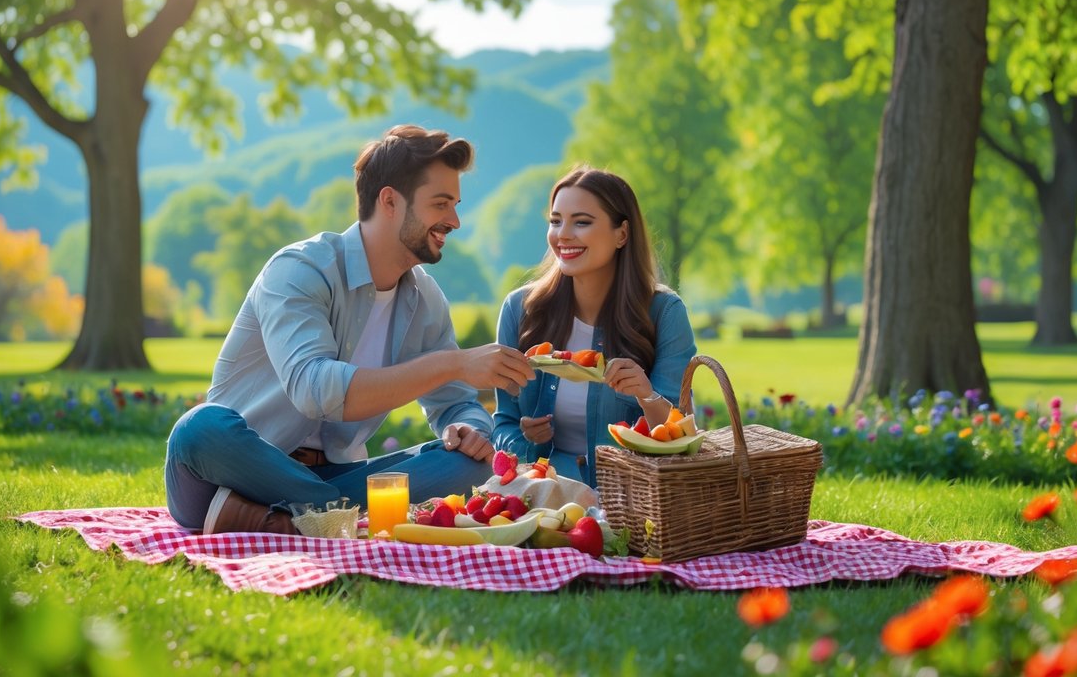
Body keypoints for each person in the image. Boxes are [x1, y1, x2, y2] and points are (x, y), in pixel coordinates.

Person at [165, 125, 535, 535]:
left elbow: (455, 404)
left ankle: (292, 519)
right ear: (390, 201)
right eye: (441, 204)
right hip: (233, 471)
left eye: (455, 205)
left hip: (341, 478)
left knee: (469, 461)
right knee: (198, 429)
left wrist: (471, 430)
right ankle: (342, 517)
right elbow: (315, 391)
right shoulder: (300, 270)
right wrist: (452, 363)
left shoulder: (424, 299)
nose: (455, 220)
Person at [492, 167, 697, 486]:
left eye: (582, 222)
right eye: (556, 221)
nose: (563, 234)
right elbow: (503, 424)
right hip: (544, 486)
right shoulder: (520, 310)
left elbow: (681, 432)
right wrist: (526, 440)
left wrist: (646, 395)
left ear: (622, 234)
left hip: (629, 490)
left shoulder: (664, 312)